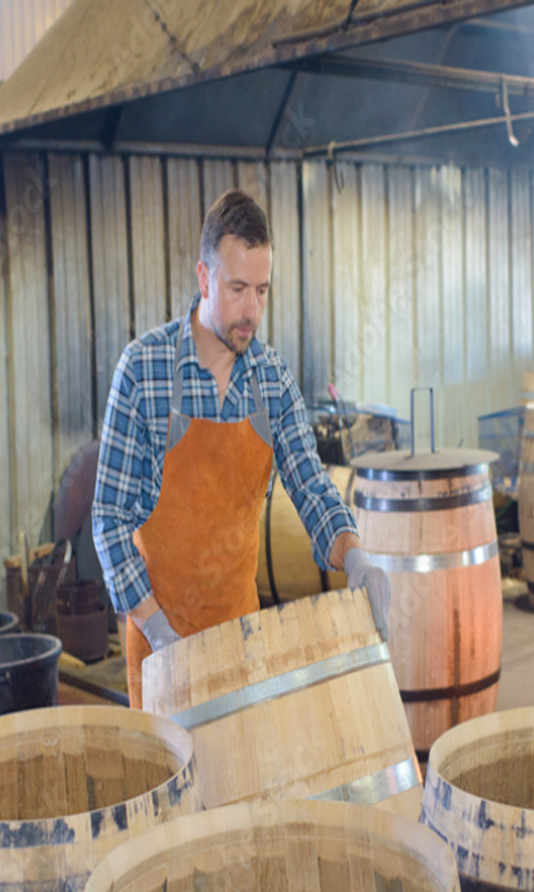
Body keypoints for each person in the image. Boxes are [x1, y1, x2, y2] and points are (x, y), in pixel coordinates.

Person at [92, 190, 391, 708]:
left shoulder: (270, 378)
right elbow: (109, 521)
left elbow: (312, 485)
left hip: (241, 645)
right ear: (204, 279)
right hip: (161, 647)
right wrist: (160, 633)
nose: (251, 310)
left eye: (262, 290)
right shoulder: (143, 371)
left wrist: (354, 554)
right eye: (236, 289)